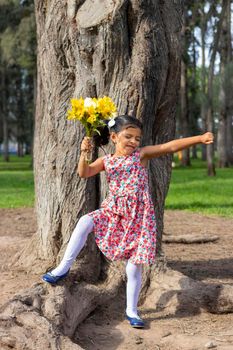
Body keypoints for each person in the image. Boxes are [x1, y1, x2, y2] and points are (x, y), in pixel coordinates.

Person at [42, 115, 214, 328]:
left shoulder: (140, 156)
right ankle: (63, 268)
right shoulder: (107, 161)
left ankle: (132, 311)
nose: (134, 141)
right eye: (128, 136)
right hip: (114, 212)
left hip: (139, 218)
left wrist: (199, 138)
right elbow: (84, 172)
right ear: (114, 137)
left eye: (137, 138)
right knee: (86, 221)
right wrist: (84, 152)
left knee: (134, 268)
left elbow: (168, 147)